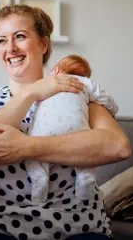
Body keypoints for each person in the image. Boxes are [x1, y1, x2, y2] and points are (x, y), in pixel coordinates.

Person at [0, 4, 131, 240]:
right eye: (1, 40)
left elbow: (117, 146)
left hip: (78, 228)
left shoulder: (73, 91)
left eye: (20, 36)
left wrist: (26, 147)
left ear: (44, 44)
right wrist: (31, 93)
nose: (11, 48)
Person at [26, 54, 118, 204]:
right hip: (77, 129)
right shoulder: (86, 83)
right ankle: (85, 177)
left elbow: (31, 105)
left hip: (44, 131)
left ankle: (39, 181)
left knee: (33, 154)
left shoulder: (45, 84)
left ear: (56, 70)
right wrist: (113, 111)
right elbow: (105, 98)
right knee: (87, 150)